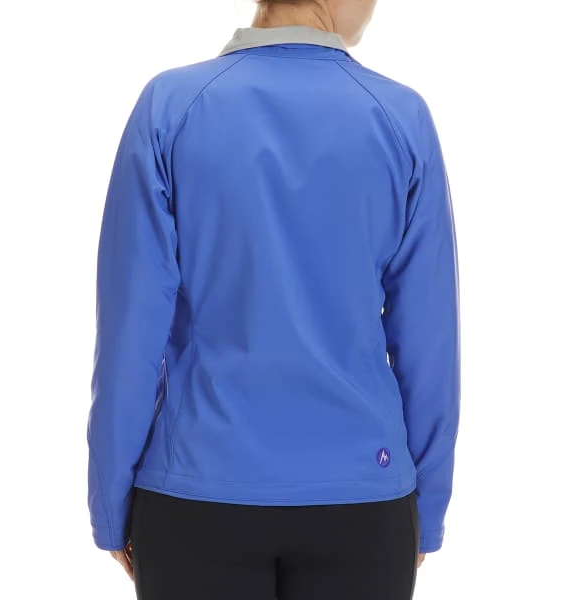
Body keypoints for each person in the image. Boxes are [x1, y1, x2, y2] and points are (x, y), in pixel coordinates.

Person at [86, 0, 461, 598]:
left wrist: (110, 505)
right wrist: (429, 508)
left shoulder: (171, 107)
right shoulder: (399, 117)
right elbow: (428, 340)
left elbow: (130, 333)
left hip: (197, 496)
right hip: (362, 501)